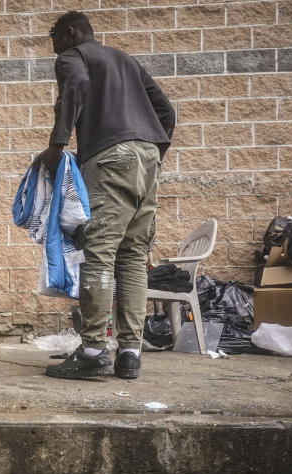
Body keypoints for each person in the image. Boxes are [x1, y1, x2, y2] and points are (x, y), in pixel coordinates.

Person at [36, 11, 175, 380]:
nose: (55, 53)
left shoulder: (75, 57)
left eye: (55, 43)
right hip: (148, 159)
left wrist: (57, 146)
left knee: (99, 254)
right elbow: (165, 110)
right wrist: (151, 151)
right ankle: (130, 353)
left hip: (110, 157)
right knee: (132, 255)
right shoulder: (126, 60)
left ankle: (94, 350)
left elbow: (77, 85)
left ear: (69, 33)